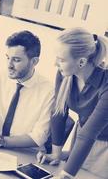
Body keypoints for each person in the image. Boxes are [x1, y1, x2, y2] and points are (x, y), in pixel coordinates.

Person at [37, 28, 108, 179]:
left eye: (61, 60)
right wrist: (56, 153)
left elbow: (90, 133)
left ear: (81, 62)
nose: (55, 63)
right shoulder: (65, 74)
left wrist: (67, 175)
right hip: (82, 138)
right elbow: (59, 113)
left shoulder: (106, 82)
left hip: (104, 146)